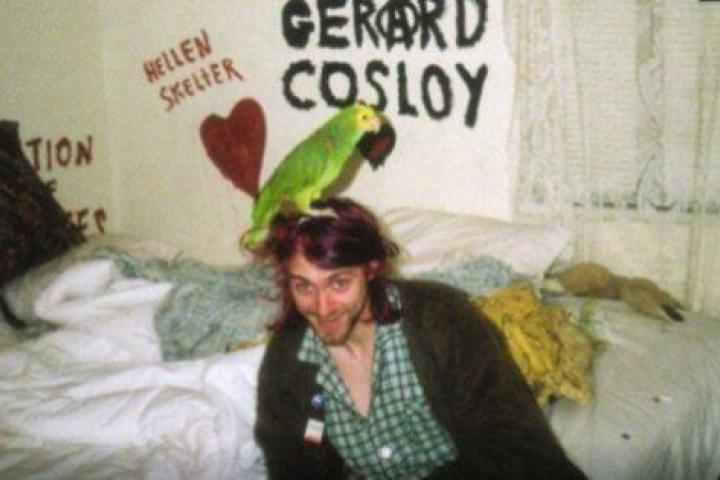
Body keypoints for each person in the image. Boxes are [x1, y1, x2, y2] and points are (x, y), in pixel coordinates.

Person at [253, 197, 586, 480]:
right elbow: (291, 468)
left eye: (339, 283)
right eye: (304, 286)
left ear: (371, 270)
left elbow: (514, 446)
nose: (322, 307)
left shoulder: (443, 320)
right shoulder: (287, 358)